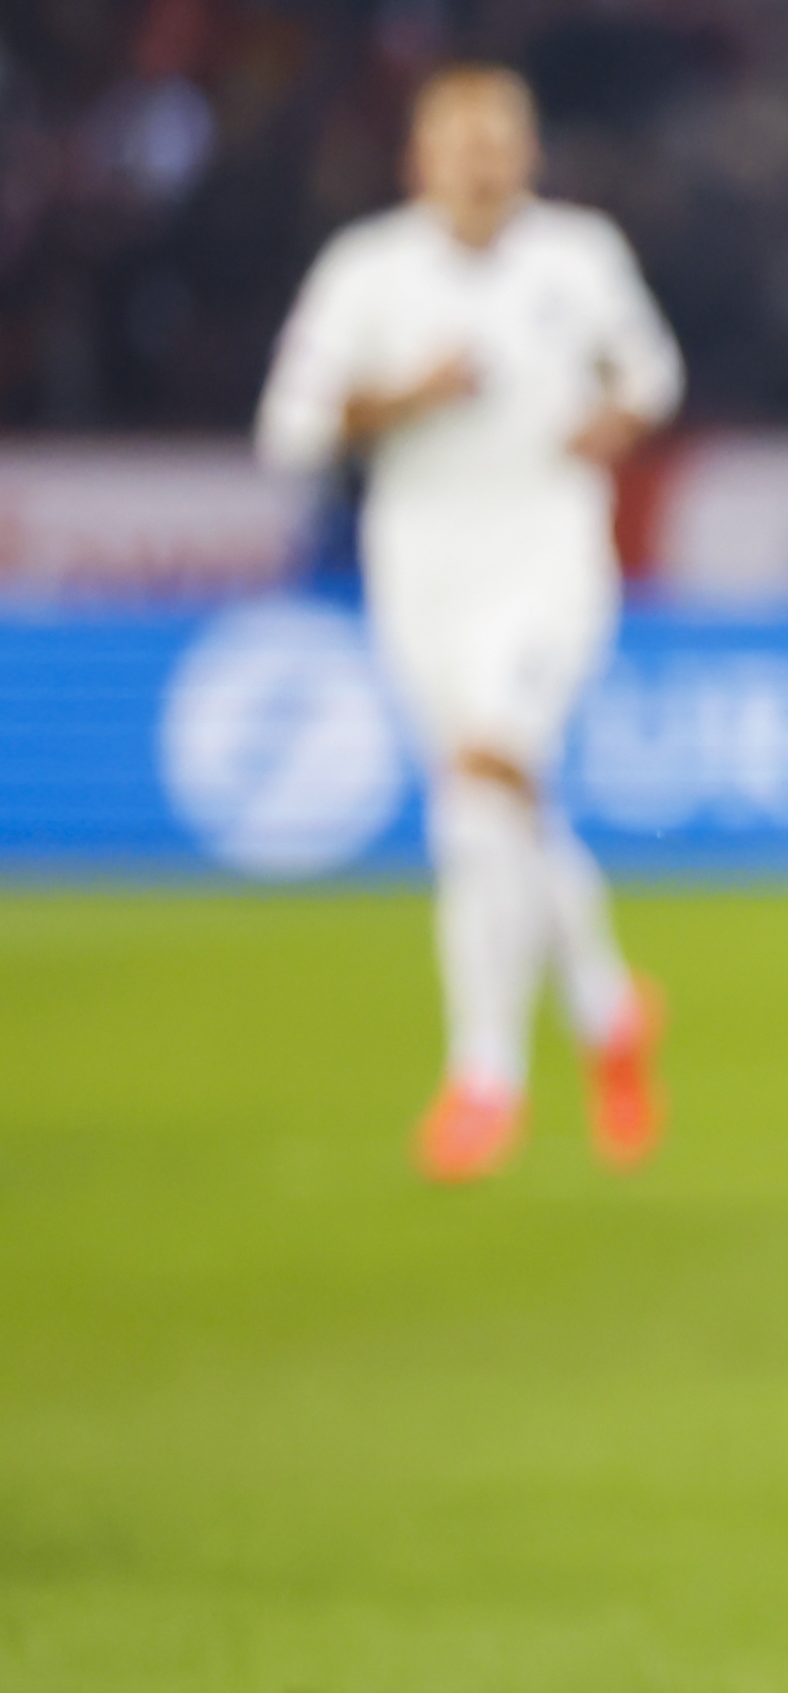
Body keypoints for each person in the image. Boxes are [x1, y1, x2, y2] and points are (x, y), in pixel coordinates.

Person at [253, 62, 677, 1183]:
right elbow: (289, 430)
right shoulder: (368, 272)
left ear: (527, 154)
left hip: (545, 555)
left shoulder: (578, 256)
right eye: (462, 142)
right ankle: (608, 1009)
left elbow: (651, 372)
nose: (483, 161)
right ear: (420, 159)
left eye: (501, 140)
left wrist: (618, 419)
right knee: (493, 806)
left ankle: (485, 1078)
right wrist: (401, 397)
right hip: (421, 568)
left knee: (479, 787)